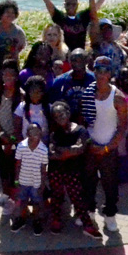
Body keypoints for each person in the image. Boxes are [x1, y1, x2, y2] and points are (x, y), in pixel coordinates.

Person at [79, 56, 128, 234]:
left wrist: (107, 147)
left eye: (105, 71)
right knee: (88, 182)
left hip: (109, 149)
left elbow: (122, 127)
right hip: (90, 147)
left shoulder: (118, 97)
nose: (101, 74)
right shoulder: (87, 93)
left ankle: (110, 216)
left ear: (110, 74)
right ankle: (89, 213)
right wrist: (89, 144)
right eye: (98, 70)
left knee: (110, 185)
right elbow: (82, 122)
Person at [30, 0, 120, 50]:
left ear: (77, 4)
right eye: (68, 4)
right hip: (64, 54)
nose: (71, 6)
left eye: (73, 4)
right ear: (64, 5)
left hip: (80, 55)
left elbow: (97, 5)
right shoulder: (60, 17)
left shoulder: (82, 17)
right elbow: (47, 2)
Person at [48, 101, 100, 238]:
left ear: (68, 113)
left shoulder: (81, 130)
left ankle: (87, 225)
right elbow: (51, 154)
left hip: (73, 171)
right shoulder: (54, 133)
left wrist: (61, 152)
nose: (60, 117)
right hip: (56, 171)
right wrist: (70, 151)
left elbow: (81, 149)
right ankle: (56, 220)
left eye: (62, 114)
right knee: (56, 196)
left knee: (77, 197)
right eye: (56, 116)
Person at [0, 59, 21, 209]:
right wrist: (1, 134)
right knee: (2, 166)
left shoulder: (21, 94)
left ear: (16, 76)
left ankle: (14, 197)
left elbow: (21, 120)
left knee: (13, 168)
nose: (8, 79)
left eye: (11, 75)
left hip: (14, 139)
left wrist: (12, 139)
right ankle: (5, 193)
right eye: (5, 76)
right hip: (0, 135)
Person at [10, 123, 49, 235]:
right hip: (23, 180)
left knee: (36, 202)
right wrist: (16, 179)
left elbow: (43, 168)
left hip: (36, 181)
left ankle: (36, 221)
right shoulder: (21, 146)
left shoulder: (43, 149)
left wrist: (42, 183)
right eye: (32, 131)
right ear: (27, 134)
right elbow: (18, 164)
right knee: (22, 200)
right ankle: (21, 219)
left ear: (41, 133)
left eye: (37, 131)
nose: (35, 134)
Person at [48, 48, 94, 120]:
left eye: (80, 60)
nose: (77, 63)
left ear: (86, 61)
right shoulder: (60, 81)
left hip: (89, 120)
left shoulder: (94, 80)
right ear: (70, 62)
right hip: (66, 121)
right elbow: (53, 104)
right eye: (74, 60)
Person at [15, 75, 51, 142]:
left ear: (43, 92)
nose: (35, 94)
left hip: (44, 145)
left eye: (38, 92)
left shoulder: (49, 107)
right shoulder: (22, 106)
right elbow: (17, 129)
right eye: (32, 91)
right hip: (26, 145)